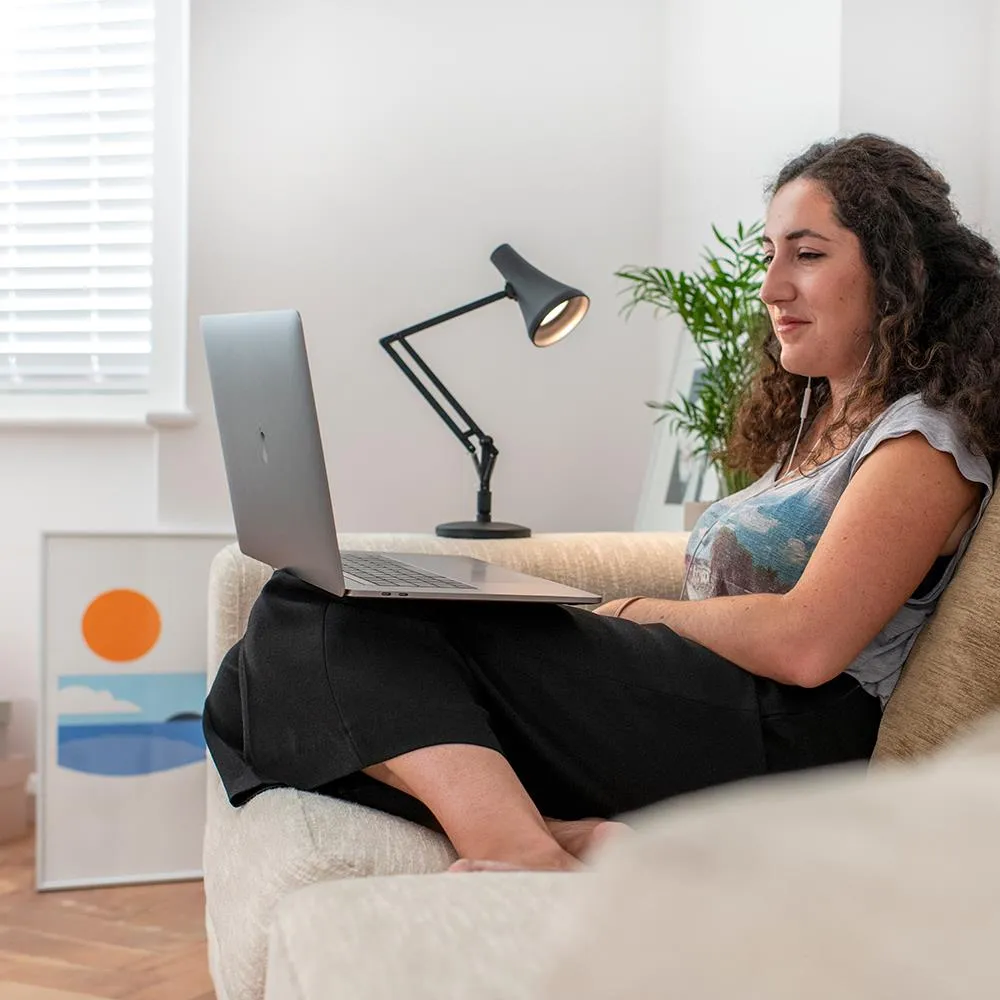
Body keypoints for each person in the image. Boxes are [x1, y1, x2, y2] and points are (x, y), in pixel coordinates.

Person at [203, 134, 1000, 872]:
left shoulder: (921, 443)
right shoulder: (812, 423)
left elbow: (809, 645)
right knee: (259, 666)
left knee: (311, 612)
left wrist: (637, 610)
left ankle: (518, 856)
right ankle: (549, 835)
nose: (771, 286)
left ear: (901, 274)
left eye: (809, 254)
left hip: (782, 734)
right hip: (696, 699)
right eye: (769, 255)